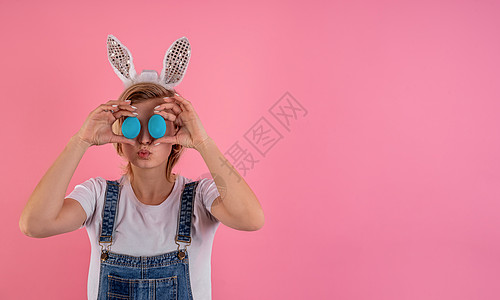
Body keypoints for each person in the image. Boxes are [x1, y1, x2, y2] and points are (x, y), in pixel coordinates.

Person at [19, 35, 265, 300]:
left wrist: (202, 141)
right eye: (133, 126)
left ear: (177, 134)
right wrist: (81, 141)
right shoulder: (98, 197)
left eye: (157, 125)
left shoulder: (200, 198)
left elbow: (251, 220)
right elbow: (35, 224)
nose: (145, 139)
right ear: (118, 133)